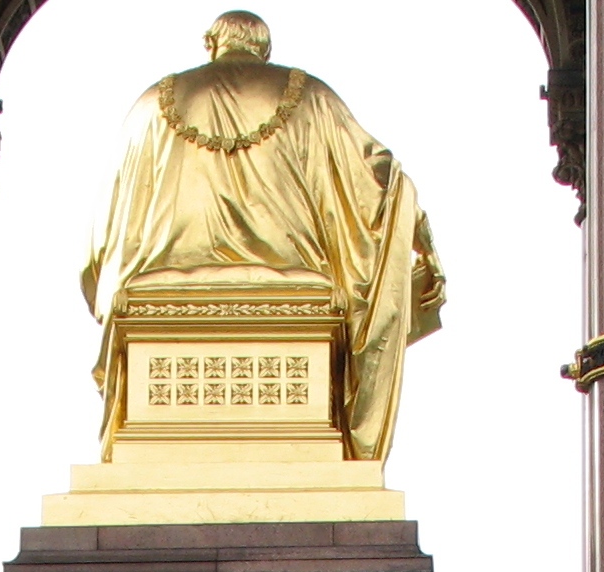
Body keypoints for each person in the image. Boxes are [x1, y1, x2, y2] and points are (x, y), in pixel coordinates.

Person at [83, 11, 444, 464]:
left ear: (211, 43)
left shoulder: (150, 106)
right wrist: (417, 230)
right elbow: (377, 178)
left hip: (155, 313)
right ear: (264, 49)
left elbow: (105, 234)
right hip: (301, 305)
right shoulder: (312, 98)